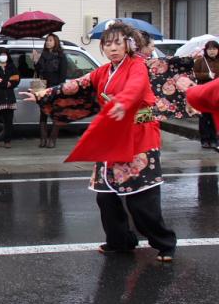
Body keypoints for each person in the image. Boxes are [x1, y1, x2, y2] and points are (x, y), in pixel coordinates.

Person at [21, 21, 177, 262]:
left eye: (117, 43)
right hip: (112, 134)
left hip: (139, 136)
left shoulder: (138, 66)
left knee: (141, 199)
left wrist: (123, 103)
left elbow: (135, 87)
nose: (112, 48)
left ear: (129, 45)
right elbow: (76, 85)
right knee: (106, 195)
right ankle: (120, 241)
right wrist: (43, 95)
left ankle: (164, 243)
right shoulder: (103, 71)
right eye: (107, 44)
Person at [33, 34, 67, 148]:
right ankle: (43, 139)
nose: (48, 42)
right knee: (43, 113)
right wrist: (35, 61)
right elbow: (39, 71)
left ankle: (52, 140)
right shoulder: (43, 55)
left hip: (55, 87)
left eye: (50, 40)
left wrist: (59, 89)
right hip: (43, 87)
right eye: (47, 40)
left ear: (56, 42)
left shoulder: (61, 56)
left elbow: (63, 75)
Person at [193, 40, 219, 148]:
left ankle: (214, 139)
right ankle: (204, 139)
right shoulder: (200, 61)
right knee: (203, 116)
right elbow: (195, 74)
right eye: (209, 49)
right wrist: (207, 75)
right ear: (206, 50)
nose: (212, 51)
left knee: (214, 116)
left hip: (216, 92)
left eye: (214, 49)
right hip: (203, 91)